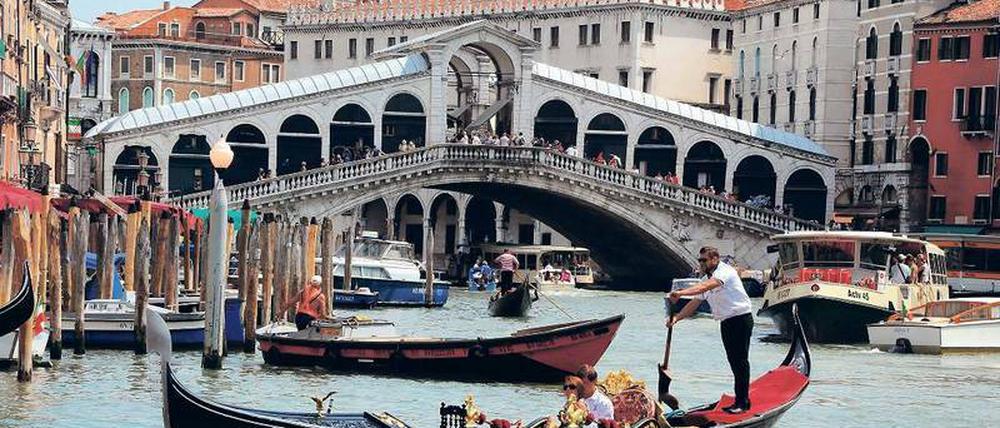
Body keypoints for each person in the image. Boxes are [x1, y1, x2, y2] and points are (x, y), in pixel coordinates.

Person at [668, 246, 753, 414]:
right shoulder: (707, 277)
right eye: (700, 260)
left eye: (704, 260)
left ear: (715, 259)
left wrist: (680, 292)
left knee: (740, 361)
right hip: (726, 322)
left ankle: (743, 402)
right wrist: (676, 318)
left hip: (741, 319)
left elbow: (705, 287)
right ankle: (740, 399)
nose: (701, 263)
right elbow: (695, 302)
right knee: (733, 361)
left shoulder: (724, 272)